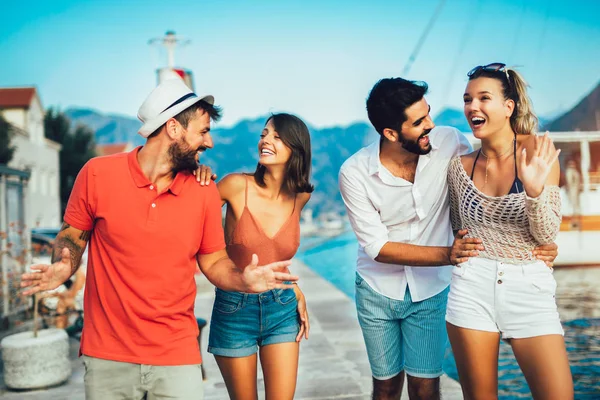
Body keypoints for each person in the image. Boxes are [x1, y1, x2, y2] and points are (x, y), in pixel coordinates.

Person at [20, 79, 299, 400]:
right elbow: (72, 235)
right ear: (173, 128)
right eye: (203, 131)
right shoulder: (96, 174)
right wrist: (62, 266)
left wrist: (242, 279)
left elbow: (214, 261)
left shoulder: (203, 190)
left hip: (176, 353)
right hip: (108, 354)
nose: (208, 142)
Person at [338, 77, 558, 400]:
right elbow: (377, 248)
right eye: (419, 122)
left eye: (427, 113)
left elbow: (480, 191)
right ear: (390, 133)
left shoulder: (451, 143)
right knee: (385, 386)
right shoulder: (354, 173)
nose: (431, 124)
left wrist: (538, 238)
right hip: (377, 289)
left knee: (425, 386)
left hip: (432, 289)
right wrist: (449, 254)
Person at [446, 62, 573, 399]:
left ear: (508, 107)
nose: (473, 106)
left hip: (528, 287)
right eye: (467, 99)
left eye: (484, 98)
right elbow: (461, 231)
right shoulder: (460, 167)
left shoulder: (537, 150)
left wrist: (534, 192)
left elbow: (546, 235)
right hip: (471, 288)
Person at [207, 113, 313, 400]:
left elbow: (273, 252)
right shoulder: (234, 185)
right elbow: (191, 220)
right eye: (265, 134)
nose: (266, 140)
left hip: (282, 308)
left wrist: (295, 288)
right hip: (234, 308)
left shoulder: (300, 196)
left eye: (277, 137)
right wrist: (195, 177)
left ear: (296, 148)